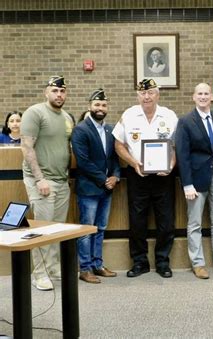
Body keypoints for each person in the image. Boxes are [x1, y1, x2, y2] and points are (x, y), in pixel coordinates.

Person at [112, 79, 178, 278]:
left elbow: (176, 146)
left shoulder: (169, 115)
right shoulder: (129, 115)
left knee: (166, 221)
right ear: (137, 95)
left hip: (163, 176)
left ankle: (162, 262)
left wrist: (171, 165)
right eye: (143, 93)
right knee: (137, 220)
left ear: (157, 94)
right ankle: (139, 262)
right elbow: (118, 145)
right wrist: (133, 163)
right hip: (137, 175)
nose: (146, 97)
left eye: (150, 93)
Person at [20, 75, 74, 291]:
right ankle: (39, 273)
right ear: (46, 92)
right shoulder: (35, 113)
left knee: (56, 228)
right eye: (54, 91)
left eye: (62, 91)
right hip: (41, 180)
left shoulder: (67, 117)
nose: (59, 95)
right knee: (42, 228)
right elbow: (27, 147)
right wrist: (40, 178)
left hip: (61, 180)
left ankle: (52, 267)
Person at [175, 83, 213, 279]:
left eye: (206, 93)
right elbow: (182, 154)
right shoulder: (186, 121)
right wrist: (187, 183)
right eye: (200, 94)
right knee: (195, 222)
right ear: (193, 97)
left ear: (212, 97)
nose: (203, 96)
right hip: (196, 179)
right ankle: (198, 263)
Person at [71, 88, 120, 284]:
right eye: (97, 105)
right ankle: (85, 268)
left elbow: (114, 157)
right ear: (89, 106)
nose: (100, 108)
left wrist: (115, 176)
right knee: (87, 230)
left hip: (107, 188)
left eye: (104, 105)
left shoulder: (110, 130)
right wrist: (104, 179)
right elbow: (83, 161)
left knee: (100, 228)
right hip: (89, 189)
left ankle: (98, 264)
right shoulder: (81, 129)